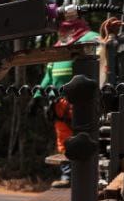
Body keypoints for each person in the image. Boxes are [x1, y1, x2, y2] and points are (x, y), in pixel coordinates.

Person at [33, 16, 100, 188]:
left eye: (65, 29)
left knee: (87, 136)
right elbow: (48, 76)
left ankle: (90, 174)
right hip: (59, 102)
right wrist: (37, 96)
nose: (61, 32)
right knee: (63, 139)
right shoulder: (58, 47)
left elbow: (104, 60)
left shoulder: (90, 38)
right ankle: (68, 175)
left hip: (82, 99)